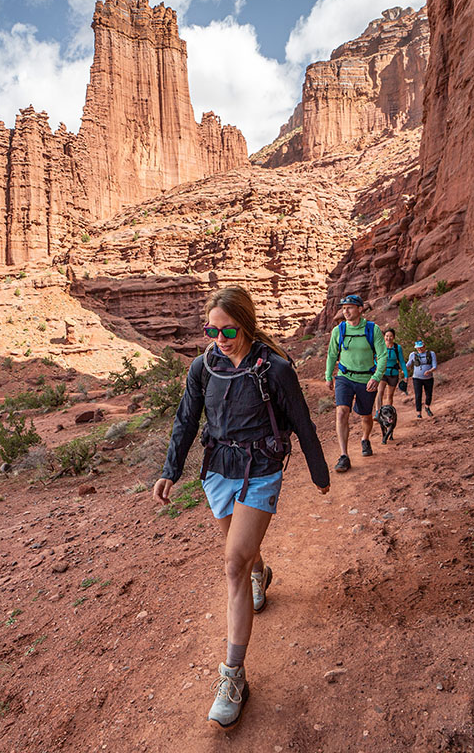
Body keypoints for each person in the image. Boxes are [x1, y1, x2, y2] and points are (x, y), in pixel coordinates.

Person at [154, 286, 329, 731]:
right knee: (243, 554)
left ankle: (233, 678)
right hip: (218, 471)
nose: (219, 337)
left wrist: (318, 470)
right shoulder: (203, 367)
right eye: (211, 329)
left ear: (245, 325)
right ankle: (260, 572)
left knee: (232, 562)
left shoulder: (274, 369)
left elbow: (302, 420)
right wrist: (171, 470)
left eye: (228, 329)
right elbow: (186, 419)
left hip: (261, 470)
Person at [324, 294, 388, 472]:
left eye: (350, 307)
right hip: (344, 377)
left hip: (366, 379)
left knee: (366, 416)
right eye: (343, 308)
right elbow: (331, 354)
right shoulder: (339, 330)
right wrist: (329, 375)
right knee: (341, 412)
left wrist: (376, 377)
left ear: (360, 309)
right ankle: (344, 455)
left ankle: (365, 439)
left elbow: (382, 355)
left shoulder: (372, 329)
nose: (345, 311)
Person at [376, 328, 408, 418]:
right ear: (384, 337)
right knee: (380, 392)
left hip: (393, 374)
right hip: (382, 373)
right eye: (386, 336)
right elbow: (374, 358)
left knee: (389, 395)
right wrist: (377, 366)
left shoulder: (397, 348)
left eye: (390, 336)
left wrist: (405, 375)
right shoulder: (380, 346)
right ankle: (378, 413)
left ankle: (388, 415)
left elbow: (401, 361)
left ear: (394, 337)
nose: (388, 338)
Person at [406, 340, 438, 418]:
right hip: (416, 378)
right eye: (418, 348)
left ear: (424, 346)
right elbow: (409, 364)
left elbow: (435, 366)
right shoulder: (413, 355)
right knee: (418, 395)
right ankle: (418, 413)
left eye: (420, 348)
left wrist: (430, 371)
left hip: (428, 378)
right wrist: (404, 368)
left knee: (429, 394)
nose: (419, 349)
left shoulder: (431, 354)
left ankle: (427, 407)